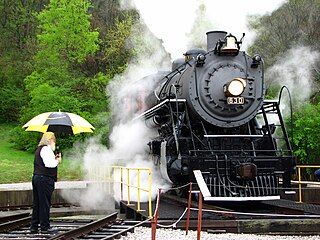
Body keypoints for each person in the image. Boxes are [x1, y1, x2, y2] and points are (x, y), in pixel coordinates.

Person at [30, 132, 62, 234]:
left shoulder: (39, 149)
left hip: (37, 177)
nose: (54, 142)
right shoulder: (46, 149)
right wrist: (58, 160)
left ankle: (34, 227)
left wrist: (54, 158)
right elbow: (50, 164)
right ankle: (45, 227)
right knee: (44, 203)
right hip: (45, 179)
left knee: (37, 203)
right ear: (50, 140)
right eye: (54, 140)